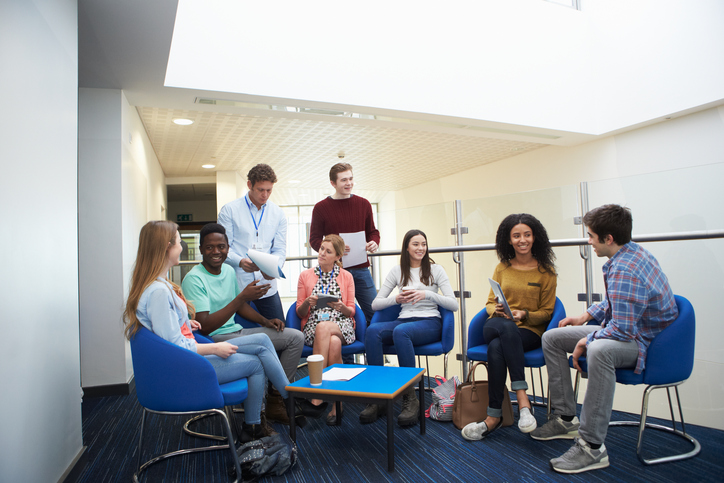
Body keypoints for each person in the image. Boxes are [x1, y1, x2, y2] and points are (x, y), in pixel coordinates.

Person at [531, 204, 678, 474]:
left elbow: (621, 329)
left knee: (599, 350)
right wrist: (585, 317)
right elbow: (616, 305)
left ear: (608, 239)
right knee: (552, 338)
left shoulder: (626, 270)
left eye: (591, 236)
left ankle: (592, 446)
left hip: (647, 343)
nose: (589, 242)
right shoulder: (628, 254)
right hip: (629, 330)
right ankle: (565, 418)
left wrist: (588, 340)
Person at [123, 220, 295, 443]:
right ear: (167, 247)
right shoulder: (159, 292)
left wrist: (185, 322)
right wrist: (215, 347)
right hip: (182, 368)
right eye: (178, 241)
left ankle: (279, 402)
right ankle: (286, 398)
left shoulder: (159, 286)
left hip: (181, 360)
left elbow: (168, 334)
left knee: (261, 339)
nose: (182, 246)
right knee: (255, 363)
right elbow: (176, 347)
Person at [181, 223, 306, 425]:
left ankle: (275, 398)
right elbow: (205, 327)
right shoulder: (194, 279)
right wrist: (241, 298)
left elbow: (239, 308)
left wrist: (267, 321)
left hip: (237, 332)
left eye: (221, 246)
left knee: (295, 337)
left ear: (228, 248)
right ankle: (287, 396)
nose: (216, 251)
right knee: (262, 341)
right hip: (214, 339)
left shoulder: (229, 272)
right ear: (201, 249)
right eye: (210, 247)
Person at [461, 214, 557, 441]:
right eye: (516, 236)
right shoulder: (502, 268)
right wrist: (498, 310)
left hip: (528, 330)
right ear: (509, 240)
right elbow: (488, 303)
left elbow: (547, 312)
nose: (522, 240)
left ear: (535, 238)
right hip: (496, 323)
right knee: (504, 329)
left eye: (527, 235)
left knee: (496, 347)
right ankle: (523, 401)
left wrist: (524, 314)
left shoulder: (547, 272)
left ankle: (492, 417)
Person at [362, 229, 458, 426]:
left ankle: (410, 398)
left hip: (430, 322)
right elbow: (375, 304)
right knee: (372, 330)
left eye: (423, 244)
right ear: (407, 247)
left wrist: (427, 294)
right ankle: (378, 396)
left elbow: (453, 304)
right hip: (404, 319)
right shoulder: (397, 271)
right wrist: (396, 299)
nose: (420, 248)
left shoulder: (436, 270)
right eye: (416, 244)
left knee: (401, 331)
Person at [309, 163, 380, 326]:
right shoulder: (321, 208)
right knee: (338, 316)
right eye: (343, 180)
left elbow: (373, 232)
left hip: (361, 269)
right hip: (334, 272)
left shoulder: (364, 204)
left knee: (374, 313)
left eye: (351, 179)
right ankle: (346, 352)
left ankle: (370, 349)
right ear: (333, 183)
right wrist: (334, 249)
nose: (349, 183)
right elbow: (314, 240)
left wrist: (374, 243)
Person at [296, 234, 356, 425]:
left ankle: (317, 395)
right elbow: (299, 312)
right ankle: (337, 403)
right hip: (314, 325)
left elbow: (351, 311)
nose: (322, 253)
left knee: (327, 330)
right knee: (333, 344)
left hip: (341, 324)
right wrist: (307, 302)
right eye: (321, 248)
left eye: (328, 251)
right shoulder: (305, 275)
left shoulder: (347, 276)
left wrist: (341, 307)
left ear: (338, 257)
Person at [218, 164, 287, 322]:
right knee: (238, 333)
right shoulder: (229, 210)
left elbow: (280, 249)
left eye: (269, 190)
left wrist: (275, 268)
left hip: (267, 286)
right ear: (249, 185)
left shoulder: (278, 214)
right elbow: (223, 248)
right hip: (238, 286)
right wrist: (240, 262)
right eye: (260, 189)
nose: (265, 194)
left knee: (280, 330)